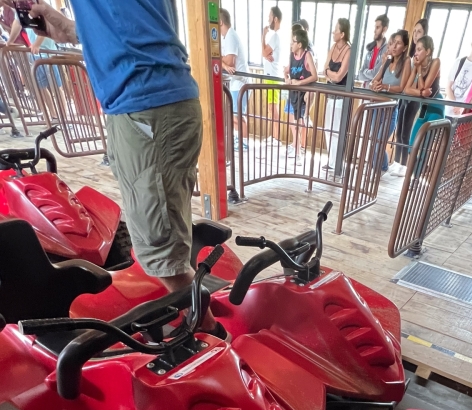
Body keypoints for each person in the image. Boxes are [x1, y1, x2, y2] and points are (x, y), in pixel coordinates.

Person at [24, 0, 228, 340]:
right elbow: (129, 22)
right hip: (152, 101)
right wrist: (72, 29)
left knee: (160, 253)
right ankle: (201, 323)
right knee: (165, 239)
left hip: (145, 103)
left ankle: (213, 336)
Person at [370, 29, 411, 176]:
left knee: (379, 142)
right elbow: (374, 80)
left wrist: (385, 87)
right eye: (392, 43)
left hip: (391, 109)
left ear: (404, 47)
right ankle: (378, 168)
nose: (394, 46)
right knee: (374, 141)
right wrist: (375, 85)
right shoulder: (388, 61)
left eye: (398, 43)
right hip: (377, 107)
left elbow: (402, 87)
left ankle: (381, 168)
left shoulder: (406, 62)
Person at [390, 18, 428, 175]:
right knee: (399, 130)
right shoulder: (410, 55)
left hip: (413, 98)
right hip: (404, 96)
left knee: (406, 132)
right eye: (414, 31)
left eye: (419, 32)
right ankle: (397, 161)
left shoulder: (423, 56)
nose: (415, 34)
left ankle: (403, 165)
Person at [402, 35, 444, 150]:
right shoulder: (417, 65)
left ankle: (421, 162)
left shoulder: (436, 62)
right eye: (416, 50)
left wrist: (419, 70)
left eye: (419, 50)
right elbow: (406, 89)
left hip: (436, 106)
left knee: (424, 146)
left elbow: (424, 86)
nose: (416, 53)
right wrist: (421, 93)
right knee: (412, 145)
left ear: (428, 51)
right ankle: (412, 161)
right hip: (424, 107)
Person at [322, 18, 351, 173]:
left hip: (341, 97)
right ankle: (331, 160)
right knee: (328, 129)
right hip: (330, 95)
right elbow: (324, 69)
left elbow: (339, 77)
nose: (333, 32)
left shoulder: (349, 51)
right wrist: (330, 74)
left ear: (343, 34)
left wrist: (330, 74)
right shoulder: (333, 47)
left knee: (337, 131)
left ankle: (337, 162)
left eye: (336, 30)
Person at [284, 27, 316, 163]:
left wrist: (299, 83)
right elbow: (286, 71)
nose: (291, 44)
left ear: (300, 44)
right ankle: (297, 152)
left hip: (303, 95)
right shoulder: (291, 56)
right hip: (293, 94)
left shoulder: (307, 55)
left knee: (298, 123)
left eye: (293, 41)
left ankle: (299, 154)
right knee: (293, 123)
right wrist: (287, 79)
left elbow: (314, 76)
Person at [220, 8, 249, 151]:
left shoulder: (231, 36)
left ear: (220, 22)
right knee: (235, 114)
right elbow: (226, 62)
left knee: (238, 115)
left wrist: (220, 60)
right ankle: (240, 139)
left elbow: (230, 61)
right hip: (236, 83)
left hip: (240, 83)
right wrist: (223, 63)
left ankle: (243, 142)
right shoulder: (228, 37)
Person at [446, 31, 472, 117]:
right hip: (448, 107)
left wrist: (463, 107)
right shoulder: (459, 62)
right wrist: (455, 105)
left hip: (464, 112)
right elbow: (448, 87)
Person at [262, 6, 283, 144]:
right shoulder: (276, 36)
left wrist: (263, 36)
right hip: (271, 76)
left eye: (270, 16)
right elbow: (265, 53)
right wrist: (265, 54)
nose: (268, 18)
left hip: (273, 77)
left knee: (273, 108)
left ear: (275, 18)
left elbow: (264, 52)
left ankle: (276, 138)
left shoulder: (275, 36)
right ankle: (274, 136)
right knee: (271, 107)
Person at [358, 14, 389, 87]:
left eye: (377, 27)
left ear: (384, 29)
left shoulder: (387, 50)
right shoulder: (370, 49)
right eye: (375, 27)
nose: (374, 31)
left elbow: (375, 74)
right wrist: (367, 73)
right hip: (364, 90)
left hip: (375, 90)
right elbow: (360, 75)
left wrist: (365, 71)